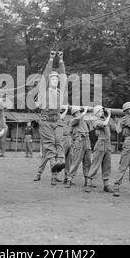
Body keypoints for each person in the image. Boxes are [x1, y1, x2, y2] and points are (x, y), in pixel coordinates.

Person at [34, 50, 67, 186]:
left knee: (59, 142)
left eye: (56, 79)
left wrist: (61, 60)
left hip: (57, 120)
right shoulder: (44, 91)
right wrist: (51, 59)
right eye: (53, 79)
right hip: (46, 120)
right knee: (49, 143)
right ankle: (51, 164)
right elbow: (45, 75)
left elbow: (64, 76)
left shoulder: (60, 92)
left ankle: (59, 163)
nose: (56, 80)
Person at [112, 102, 130, 197]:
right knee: (123, 165)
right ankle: (116, 187)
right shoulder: (125, 119)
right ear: (126, 111)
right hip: (129, 142)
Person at [84, 105, 114, 193]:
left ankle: (106, 185)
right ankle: (88, 184)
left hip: (107, 144)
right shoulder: (96, 121)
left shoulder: (106, 120)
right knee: (95, 164)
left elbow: (114, 128)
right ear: (96, 113)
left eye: (102, 111)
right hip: (100, 144)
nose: (102, 112)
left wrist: (109, 117)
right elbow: (104, 125)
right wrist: (109, 115)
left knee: (107, 166)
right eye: (100, 111)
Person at [65, 106, 91, 188]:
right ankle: (69, 179)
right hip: (79, 141)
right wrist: (85, 111)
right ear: (75, 113)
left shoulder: (83, 120)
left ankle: (87, 180)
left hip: (87, 140)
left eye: (80, 111)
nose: (80, 113)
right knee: (76, 161)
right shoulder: (73, 120)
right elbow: (78, 119)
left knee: (87, 162)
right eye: (79, 112)